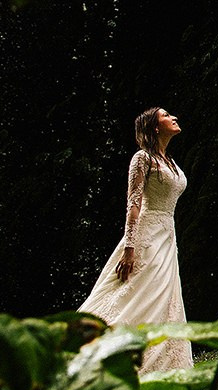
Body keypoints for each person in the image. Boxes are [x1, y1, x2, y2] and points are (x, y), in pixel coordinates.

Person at [80, 107, 192, 373]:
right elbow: (134, 204)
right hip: (146, 235)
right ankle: (94, 351)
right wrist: (129, 247)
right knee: (134, 294)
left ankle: (161, 363)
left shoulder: (170, 162)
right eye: (166, 116)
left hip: (167, 235)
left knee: (163, 297)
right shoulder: (142, 158)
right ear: (154, 127)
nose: (174, 117)